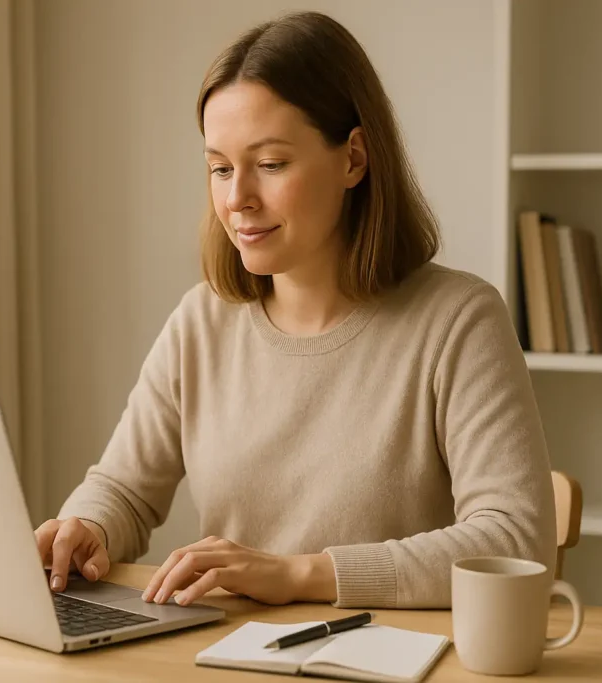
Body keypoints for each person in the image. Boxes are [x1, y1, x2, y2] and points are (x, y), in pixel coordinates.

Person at [34, 10, 556, 610]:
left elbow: (516, 538)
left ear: (354, 159)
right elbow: (124, 489)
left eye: (270, 164)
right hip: (228, 650)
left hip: (389, 651)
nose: (237, 199)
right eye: (220, 168)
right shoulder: (201, 322)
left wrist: (300, 575)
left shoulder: (459, 321)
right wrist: (86, 528)